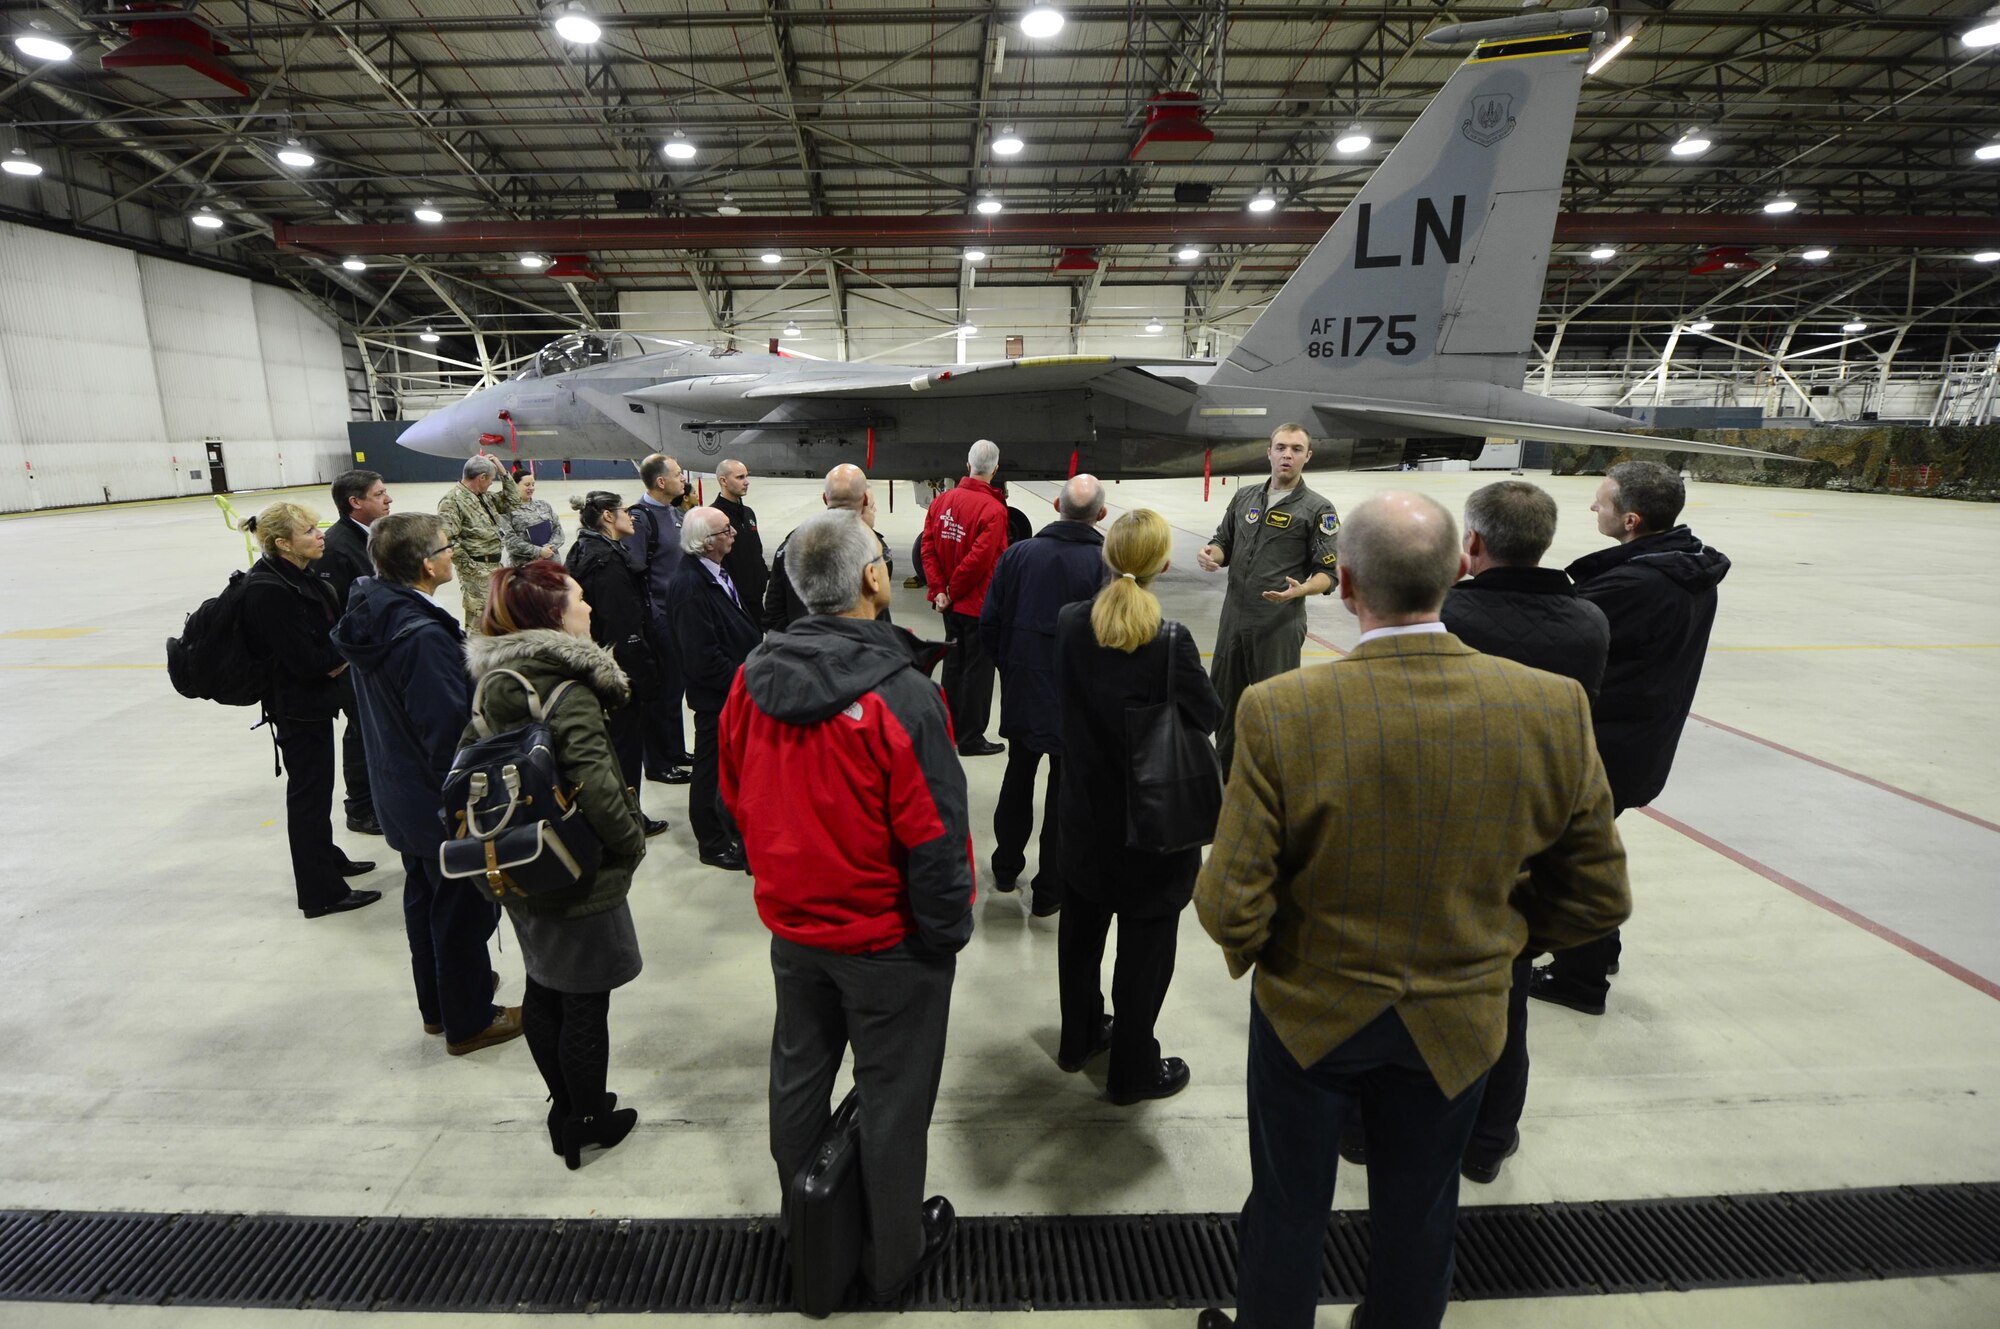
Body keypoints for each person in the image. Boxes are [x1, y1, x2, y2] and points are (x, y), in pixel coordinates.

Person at [1191, 492, 1631, 1329]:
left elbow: (1228, 901)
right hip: (1460, 1015)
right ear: (1459, 565)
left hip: (1310, 1015)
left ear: (1345, 583)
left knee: (1287, 1206)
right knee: (1422, 1213)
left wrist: (1275, 953)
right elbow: (1598, 895)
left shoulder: (1284, 712)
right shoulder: (1551, 707)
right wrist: (1491, 943)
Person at [718, 508, 972, 1304]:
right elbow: (935, 839)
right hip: (887, 942)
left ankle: (806, 1230)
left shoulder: (750, 681)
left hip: (794, 929)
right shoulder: (903, 696)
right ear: (872, 579)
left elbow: (734, 798)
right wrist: (944, 934)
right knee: (894, 1102)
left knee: (799, 1076)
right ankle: (889, 1257)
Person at [1346, 480, 1611, 1182]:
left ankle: (1368, 1132)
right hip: (1521, 846)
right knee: (1508, 1003)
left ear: (1473, 546)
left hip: (1425, 828)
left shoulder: (1454, 614)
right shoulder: (1589, 623)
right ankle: (1489, 1141)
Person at [465, 561, 651, 1169]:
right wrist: (630, 844)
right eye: (578, 600)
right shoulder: (567, 689)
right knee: (585, 1002)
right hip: (576, 871)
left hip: (521, 860)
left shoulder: (500, 679)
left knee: (545, 986)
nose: (589, 608)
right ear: (554, 617)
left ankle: (563, 1106)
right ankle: (588, 1119)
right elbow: (599, 786)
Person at [1532, 460, 1731, 1017]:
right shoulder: (1682, 563)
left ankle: (1580, 980)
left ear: (1633, 519)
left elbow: (1557, 633)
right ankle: (1600, 948)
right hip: (1640, 737)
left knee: (1568, 860)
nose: (1594, 509)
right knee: (1586, 848)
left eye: (1602, 502)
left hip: (1609, 743)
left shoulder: (1637, 584)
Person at [330, 513, 521, 1057]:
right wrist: (468, 803)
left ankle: (439, 1006)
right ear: (425, 563)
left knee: (424, 901)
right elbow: (448, 734)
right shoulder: (421, 636)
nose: (453, 553)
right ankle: (469, 1021)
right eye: (447, 546)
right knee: (461, 910)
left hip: (399, 790)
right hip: (436, 798)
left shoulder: (372, 612)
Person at [1054, 508, 1220, 1103]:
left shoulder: (1072, 622)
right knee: (1144, 955)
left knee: (1080, 938)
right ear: (1162, 566)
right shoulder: (1170, 640)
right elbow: (1208, 717)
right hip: (1150, 825)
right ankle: (1131, 1070)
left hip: (1081, 814)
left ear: (1107, 556)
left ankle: (1077, 1041)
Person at [237, 501, 381, 919]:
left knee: (317, 792)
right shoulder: (268, 589)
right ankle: (320, 893)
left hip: (314, 701)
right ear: (283, 543)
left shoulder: (296, 576)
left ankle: (327, 857)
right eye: (309, 531)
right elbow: (309, 662)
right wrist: (346, 647)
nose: (321, 535)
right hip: (297, 707)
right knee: (308, 797)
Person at [978, 474, 1108, 914]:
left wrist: (1011, 667)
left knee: (1017, 775)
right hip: (1079, 699)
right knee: (1064, 791)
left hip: (1024, 685)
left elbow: (990, 623)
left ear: (1056, 504)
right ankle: (1050, 888)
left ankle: (1005, 868)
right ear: (1102, 515)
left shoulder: (1018, 554)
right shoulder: (1107, 565)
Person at [1196, 423, 1341, 776]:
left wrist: (1302, 589)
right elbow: (1223, 542)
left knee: (1275, 713)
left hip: (1277, 624)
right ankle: (1226, 787)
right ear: (1269, 452)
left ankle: (1271, 790)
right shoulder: (1245, 496)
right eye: (1280, 447)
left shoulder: (1318, 510)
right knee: (1224, 707)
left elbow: (1329, 574)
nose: (1286, 455)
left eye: (1295, 449)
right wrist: (1212, 554)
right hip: (1233, 620)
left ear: (1308, 456)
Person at [565, 491, 669, 837]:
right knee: (623, 750)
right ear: (608, 517)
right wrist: (645, 678)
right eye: (625, 511)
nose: (632, 517)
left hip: (600, 665)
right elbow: (623, 629)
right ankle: (627, 818)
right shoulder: (606, 562)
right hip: (616, 671)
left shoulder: (589, 548)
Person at [666, 506, 763, 870]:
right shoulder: (690, 588)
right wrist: (744, 681)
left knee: (729, 767)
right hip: (718, 697)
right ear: (706, 542)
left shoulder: (713, 572)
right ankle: (712, 842)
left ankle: (729, 830)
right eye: (726, 531)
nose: (733, 533)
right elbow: (701, 659)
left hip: (734, 691)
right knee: (710, 771)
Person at [920, 440, 1009, 756]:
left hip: (949, 604)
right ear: (995, 469)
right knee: (978, 671)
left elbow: (927, 547)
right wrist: (952, 591)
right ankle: (970, 737)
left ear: (968, 465)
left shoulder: (941, 502)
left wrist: (940, 591)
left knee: (954, 665)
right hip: (976, 604)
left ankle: (951, 729)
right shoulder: (994, 510)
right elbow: (979, 561)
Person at [325, 469, 390, 836]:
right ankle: (360, 808)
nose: (388, 499)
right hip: (354, 660)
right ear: (356, 502)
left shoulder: (366, 538)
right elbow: (336, 612)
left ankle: (371, 802)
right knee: (361, 732)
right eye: (379, 493)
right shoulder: (339, 546)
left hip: (371, 653)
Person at [625, 453, 693, 786]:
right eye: (679, 475)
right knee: (661, 692)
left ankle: (675, 749)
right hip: (659, 616)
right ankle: (657, 762)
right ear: (661, 481)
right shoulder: (641, 519)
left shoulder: (673, 513)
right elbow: (635, 571)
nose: (684, 480)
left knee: (675, 687)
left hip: (678, 614)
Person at [764, 463, 893, 631]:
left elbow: (773, 614)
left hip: (801, 648)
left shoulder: (793, 544)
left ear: (825, 498)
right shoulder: (876, 550)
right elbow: (880, 615)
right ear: (866, 499)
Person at [437, 455, 526, 631]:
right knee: (480, 620)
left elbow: (513, 501)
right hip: (476, 570)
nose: (492, 484)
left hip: (494, 565)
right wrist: (472, 569)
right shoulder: (452, 501)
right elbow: (447, 540)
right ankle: (474, 657)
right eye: (492, 479)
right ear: (481, 478)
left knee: (496, 617)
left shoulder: (483, 497)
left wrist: (503, 472)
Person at [712, 459, 770, 622]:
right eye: (740, 477)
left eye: (746, 476)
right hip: (732, 602)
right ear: (723, 480)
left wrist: (762, 575)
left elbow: (756, 550)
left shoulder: (748, 513)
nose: (746, 482)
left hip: (756, 599)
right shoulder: (714, 516)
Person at [505, 471, 565, 563]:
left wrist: (548, 548)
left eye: (533, 484)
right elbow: (509, 541)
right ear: (514, 485)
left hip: (551, 563)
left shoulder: (544, 505)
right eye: (527, 485)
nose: (531, 488)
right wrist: (538, 551)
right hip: (524, 566)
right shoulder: (507, 510)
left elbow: (558, 529)